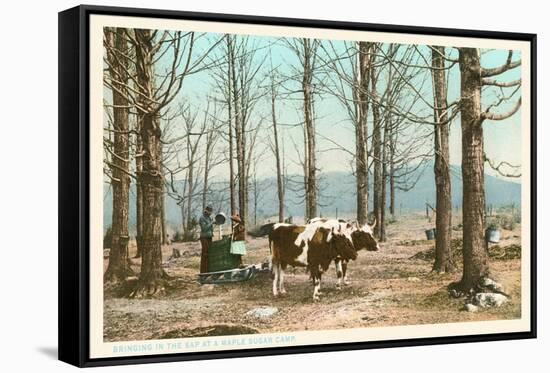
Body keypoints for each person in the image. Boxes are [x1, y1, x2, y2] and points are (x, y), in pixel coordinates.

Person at [199, 206, 214, 273]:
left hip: (209, 237)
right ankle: (203, 271)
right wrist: (211, 223)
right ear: (206, 211)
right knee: (205, 254)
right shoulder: (202, 218)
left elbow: (210, 227)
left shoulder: (209, 218)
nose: (210, 213)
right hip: (204, 237)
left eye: (211, 212)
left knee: (209, 253)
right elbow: (204, 228)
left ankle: (208, 270)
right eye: (209, 211)